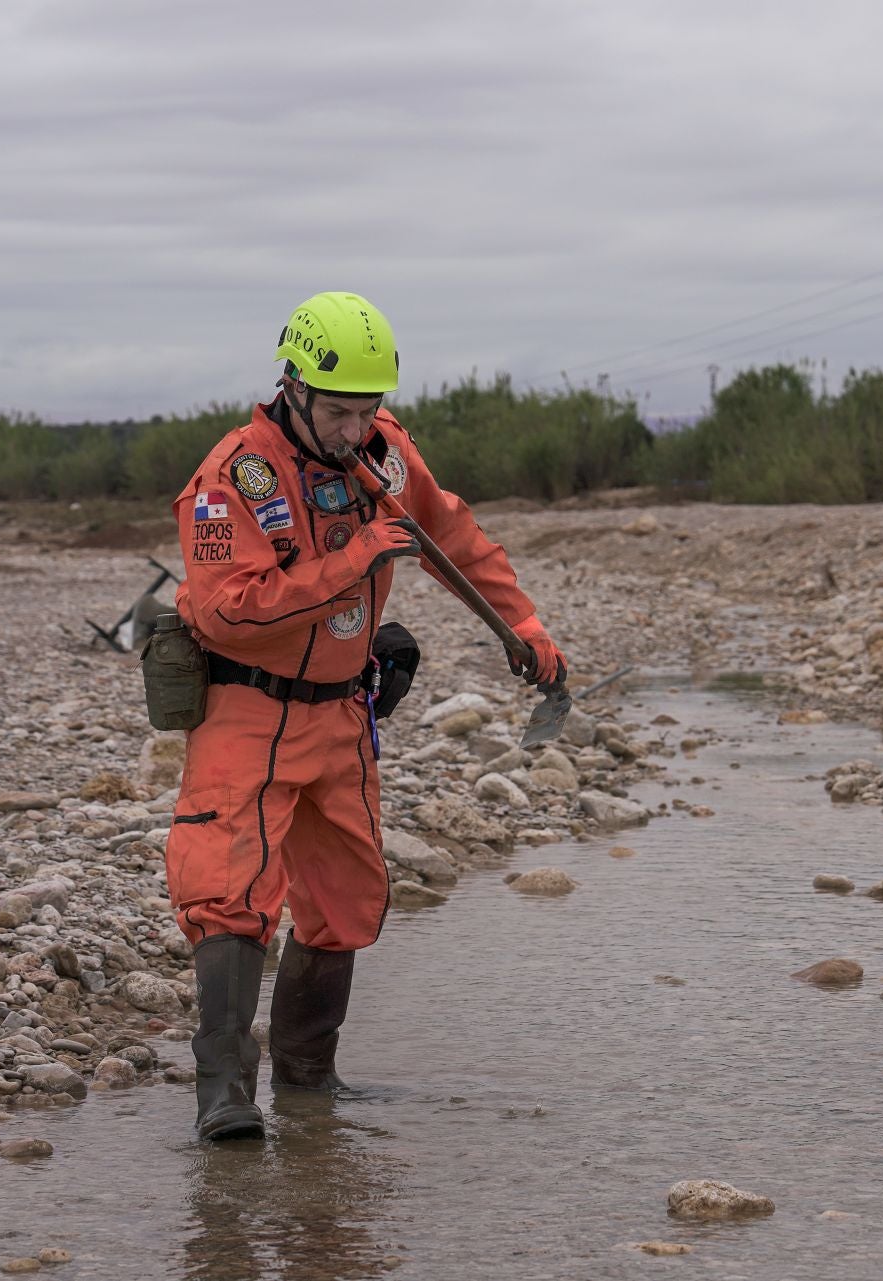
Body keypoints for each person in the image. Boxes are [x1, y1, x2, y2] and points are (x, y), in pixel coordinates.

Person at [166, 291, 567, 1138]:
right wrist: (351, 562)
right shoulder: (230, 478)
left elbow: (454, 537)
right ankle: (225, 1098)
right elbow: (226, 609)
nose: (358, 430)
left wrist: (525, 624)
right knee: (229, 892)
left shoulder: (385, 457)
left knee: (347, 899)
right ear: (295, 388)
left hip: (342, 714)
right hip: (246, 711)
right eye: (341, 412)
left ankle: (309, 1085)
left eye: (369, 409)